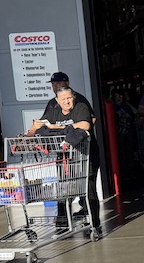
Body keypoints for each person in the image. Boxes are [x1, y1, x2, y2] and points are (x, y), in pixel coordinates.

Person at [28, 87, 102, 235]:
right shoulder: (53, 110)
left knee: (89, 190)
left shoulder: (81, 107)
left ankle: (95, 224)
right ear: (57, 101)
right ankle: (63, 224)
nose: (67, 101)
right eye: (63, 99)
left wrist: (59, 127)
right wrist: (32, 130)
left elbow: (86, 124)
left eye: (69, 98)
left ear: (73, 97)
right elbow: (37, 128)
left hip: (86, 157)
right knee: (63, 192)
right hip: (65, 159)